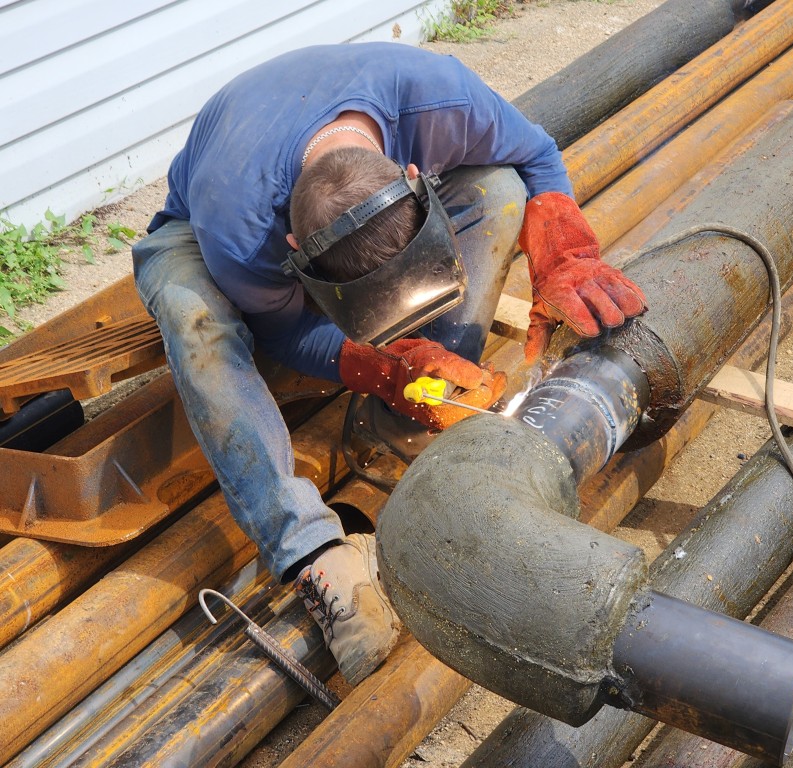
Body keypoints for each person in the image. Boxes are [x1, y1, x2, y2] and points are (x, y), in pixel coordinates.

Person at [132, 42, 646, 685]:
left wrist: (564, 252)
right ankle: (314, 553)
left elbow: (535, 155)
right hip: (190, 236)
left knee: (500, 187)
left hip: (348, 170)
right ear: (295, 251)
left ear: (413, 177)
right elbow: (285, 333)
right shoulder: (240, 231)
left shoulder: (438, 98)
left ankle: (435, 393)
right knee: (197, 321)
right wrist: (383, 367)